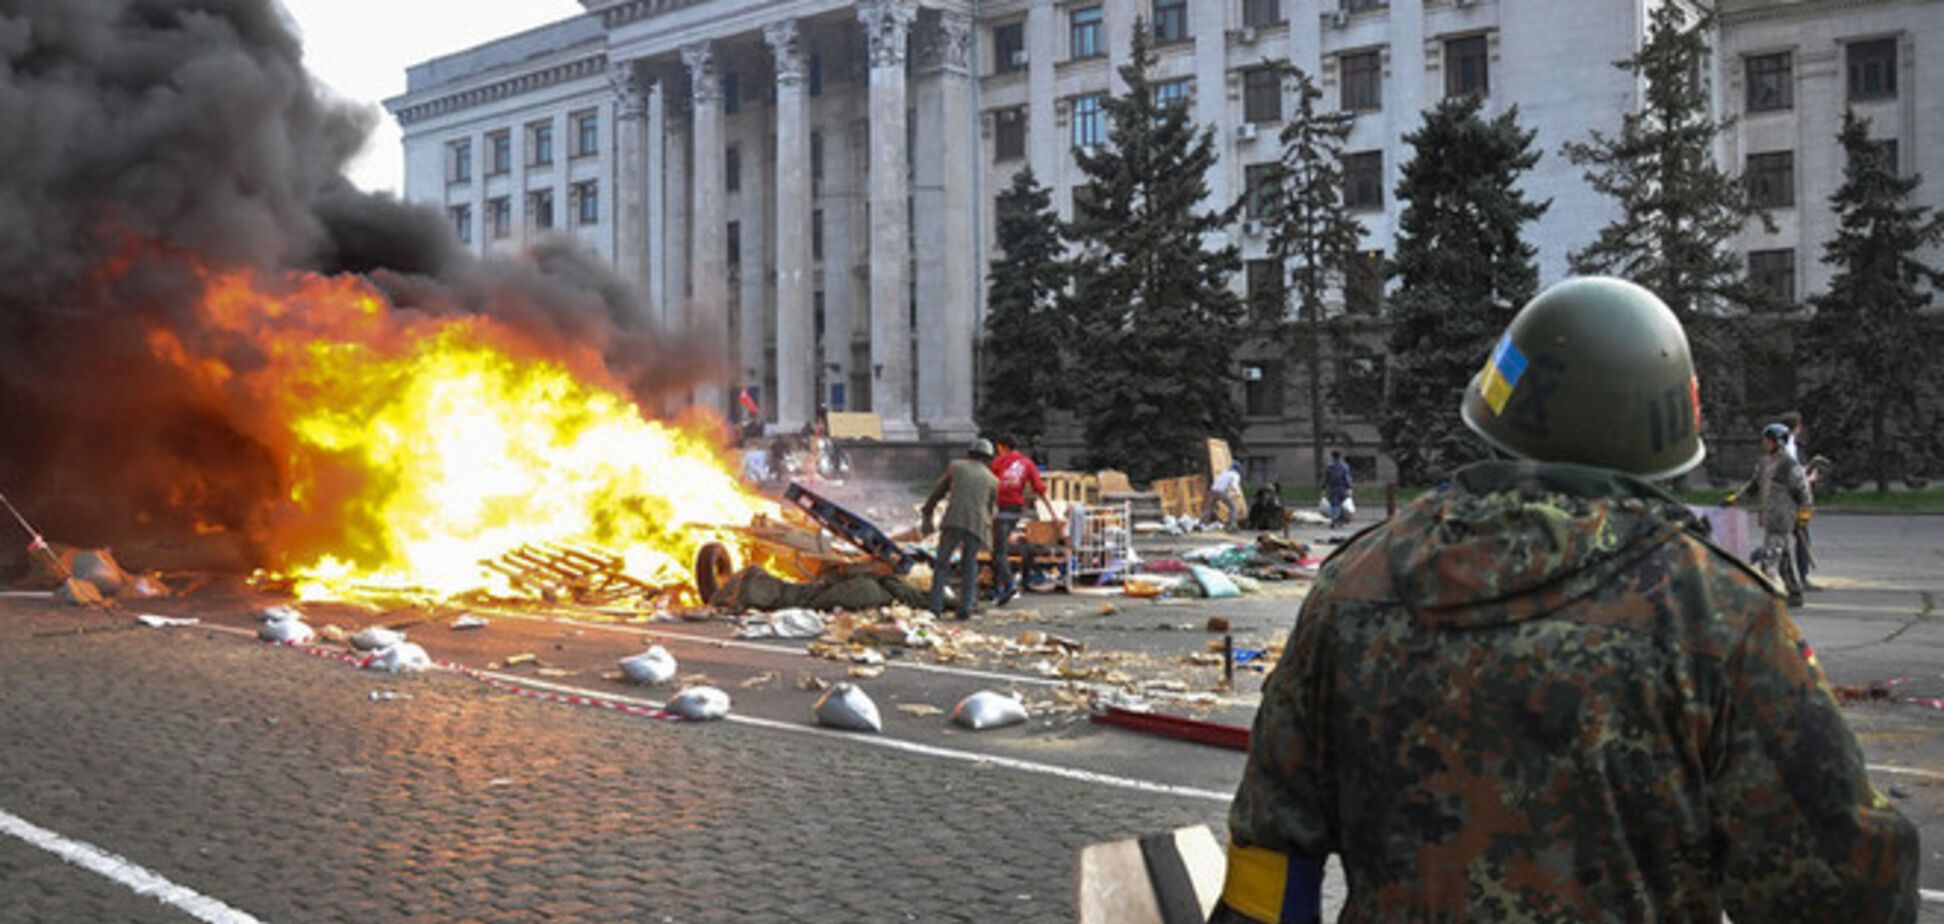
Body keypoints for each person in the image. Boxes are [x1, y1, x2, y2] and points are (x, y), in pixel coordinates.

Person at [1211, 277, 1917, 923]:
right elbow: (1846, 890)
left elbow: (1271, 858)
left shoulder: (1352, 586)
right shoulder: (1718, 615)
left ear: (1497, 410)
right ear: (1667, 435)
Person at [1732, 422, 1812, 608]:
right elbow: (1754, 486)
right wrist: (1736, 499)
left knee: (1769, 560)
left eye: (1767, 441)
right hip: (1769, 516)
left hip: (1782, 518)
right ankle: (1795, 593)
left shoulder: (1788, 465)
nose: (1764, 444)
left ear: (1779, 442)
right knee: (1784, 559)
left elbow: (1803, 491)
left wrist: (1804, 513)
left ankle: (1769, 600)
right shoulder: (1764, 462)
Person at [920, 439, 998, 621]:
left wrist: (927, 513)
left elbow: (938, 491)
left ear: (969, 453)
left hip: (953, 520)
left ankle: (935, 608)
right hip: (976, 525)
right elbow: (991, 510)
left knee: (941, 565)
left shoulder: (956, 467)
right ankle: (965, 607)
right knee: (969, 566)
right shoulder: (993, 480)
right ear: (988, 458)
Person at [988, 434, 1052, 606]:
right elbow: (1040, 489)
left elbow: (988, 485)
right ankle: (1000, 587)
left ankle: (1008, 585)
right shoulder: (1028, 463)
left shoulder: (998, 462)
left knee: (998, 552)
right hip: (1015, 511)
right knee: (1001, 549)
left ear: (1002, 446)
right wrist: (1053, 513)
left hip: (1001, 511)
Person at [1780, 410, 1819, 591]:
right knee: (1798, 537)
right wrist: (1808, 478)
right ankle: (1801, 578)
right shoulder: (1787, 447)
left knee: (1786, 538)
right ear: (1797, 428)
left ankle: (1800, 576)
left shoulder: (1786, 445)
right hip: (1790, 500)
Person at [1202, 462, 1247, 531]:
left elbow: (1220, 483)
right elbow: (1234, 485)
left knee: (1209, 508)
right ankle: (1232, 525)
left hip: (1213, 490)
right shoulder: (1235, 475)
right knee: (1232, 508)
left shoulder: (1225, 473)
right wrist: (1238, 493)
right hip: (1220, 492)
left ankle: (1202, 524)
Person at [1322, 451, 1354, 528]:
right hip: (1343, 487)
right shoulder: (1344, 466)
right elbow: (1347, 477)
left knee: (1334, 504)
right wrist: (1349, 487)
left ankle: (1335, 519)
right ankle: (1342, 520)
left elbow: (1327, 478)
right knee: (1342, 504)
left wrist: (1324, 486)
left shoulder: (1330, 466)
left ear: (1333, 457)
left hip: (1333, 487)